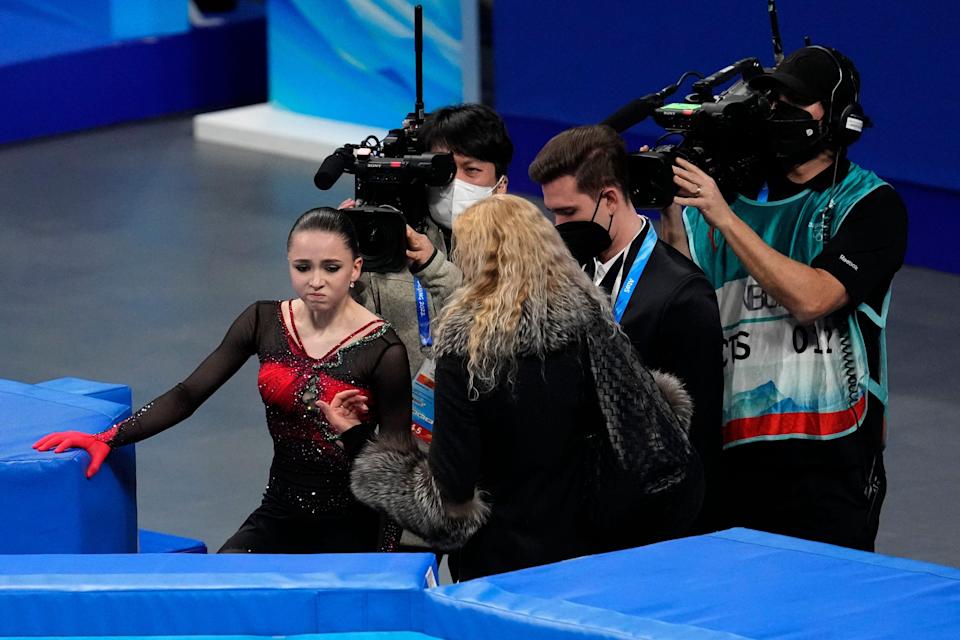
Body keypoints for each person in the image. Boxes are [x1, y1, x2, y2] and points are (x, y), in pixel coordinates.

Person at [345, 194, 703, 581]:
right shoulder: (591, 327)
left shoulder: (466, 351)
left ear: (476, 260)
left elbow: (450, 495)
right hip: (589, 558)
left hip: (498, 566)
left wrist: (366, 451)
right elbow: (644, 420)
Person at [33, 208, 412, 553]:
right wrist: (108, 438)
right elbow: (187, 394)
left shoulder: (382, 350)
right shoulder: (265, 321)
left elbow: (396, 470)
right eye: (302, 267)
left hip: (351, 527)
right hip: (279, 512)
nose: (315, 281)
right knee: (224, 584)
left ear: (356, 268)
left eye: (331, 268)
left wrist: (387, 562)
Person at [659, 46, 908, 551]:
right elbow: (678, 302)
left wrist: (722, 218)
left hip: (828, 456)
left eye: (798, 99)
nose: (779, 109)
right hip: (727, 451)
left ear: (838, 117)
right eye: (774, 97)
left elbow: (813, 298)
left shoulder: (870, 204)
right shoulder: (720, 201)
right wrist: (672, 209)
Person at [528, 125, 724, 533]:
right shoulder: (561, 277)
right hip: (574, 514)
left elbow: (696, 441)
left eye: (567, 213)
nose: (557, 225)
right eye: (552, 212)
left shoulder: (683, 294)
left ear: (611, 199)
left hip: (643, 525)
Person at [348, 103, 513, 376]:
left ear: (501, 185)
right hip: (400, 414)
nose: (455, 183)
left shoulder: (522, 251)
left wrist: (432, 266)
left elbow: (496, 334)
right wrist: (338, 264)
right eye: (444, 170)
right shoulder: (391, 239)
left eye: (471, 171)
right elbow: (350, 339)